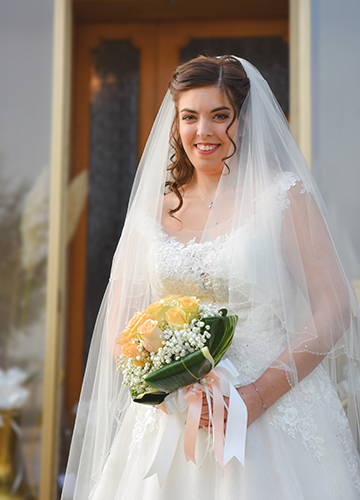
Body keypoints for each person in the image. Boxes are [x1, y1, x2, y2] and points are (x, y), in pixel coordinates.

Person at [61, 56, 360, 499]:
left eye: (221, 116)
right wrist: (164, 389)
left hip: (271, 412)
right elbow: (120, 323)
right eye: (190, 117)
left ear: (245, 120)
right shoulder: (152, 212)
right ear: (175, 125)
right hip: (171, 419)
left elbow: (334, 307)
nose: (205, 131)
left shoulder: (283, 198)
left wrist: (255, 396)